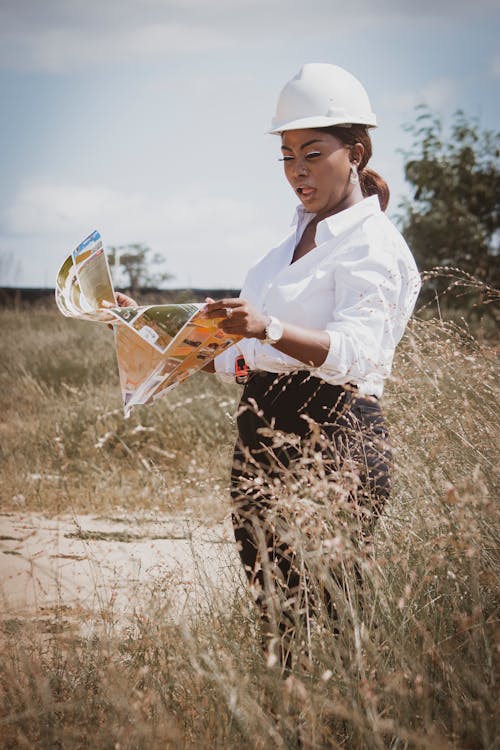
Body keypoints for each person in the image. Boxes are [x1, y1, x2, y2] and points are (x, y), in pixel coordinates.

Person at [202, 63, 421, 669]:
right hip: (261, 441)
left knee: (334, 621)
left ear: (356, 152)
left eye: (313, 152)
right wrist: (159, 332)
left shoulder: (373, 247)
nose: (297, 169)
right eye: (287, 154)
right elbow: (246, 362)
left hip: (336, 442)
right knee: (276, 621)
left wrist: (267, 326)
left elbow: (359, 353)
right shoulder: (283, 248)